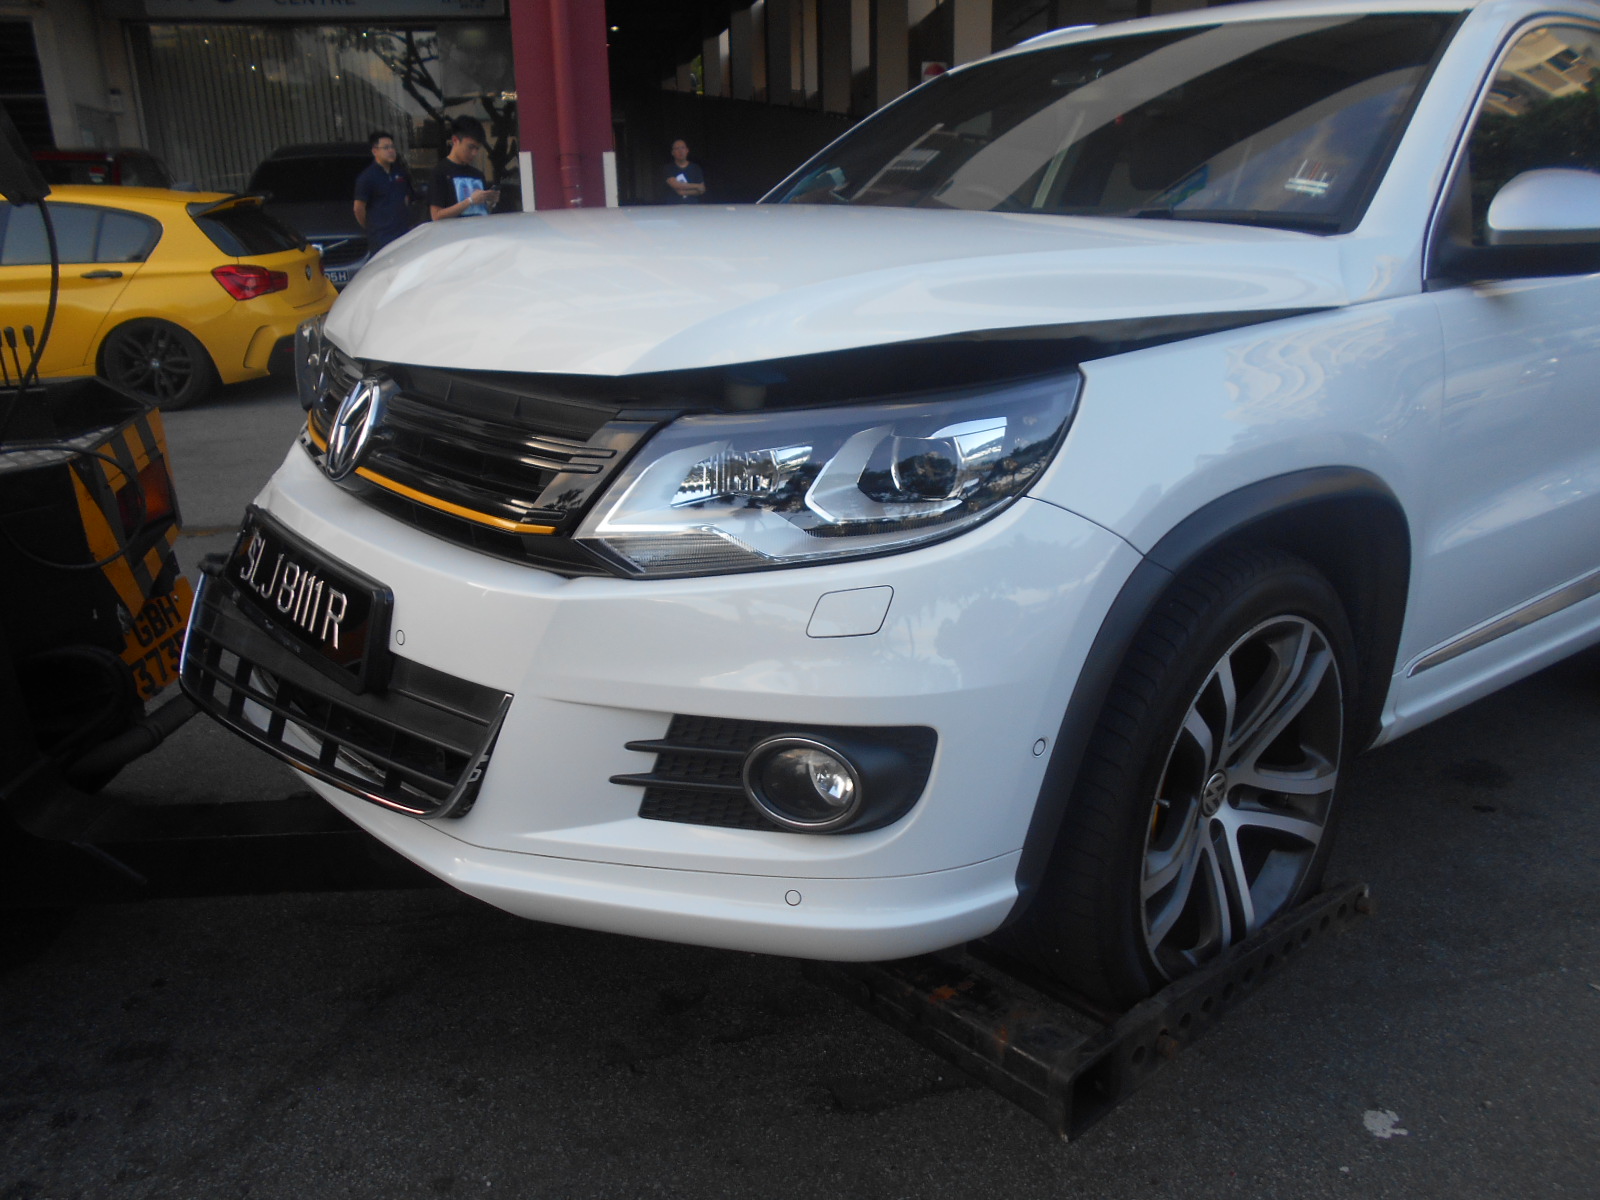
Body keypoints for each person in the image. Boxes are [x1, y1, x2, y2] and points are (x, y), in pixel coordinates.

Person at [352, 130, 415, 255]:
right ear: (375, 151)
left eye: (392, 147)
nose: (391, 151)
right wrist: (372, 226)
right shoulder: (367, 177)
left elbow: (407, 198)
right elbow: (358, 208)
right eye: (386, 148)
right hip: (381, 238)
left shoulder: (400, 173)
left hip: (402, 234)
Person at [428, 116, 499, 221]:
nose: (474, 153)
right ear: (455, 140)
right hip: (454, 231)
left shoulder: (477, 174)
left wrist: (490, 202)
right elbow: (436, 215)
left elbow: (482, 211)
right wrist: (470, 201)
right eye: (470, 147)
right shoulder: (440, 172)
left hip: (480, 228)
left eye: (477, 148)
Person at [663, 139, 706, 203]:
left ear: (687, 150)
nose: (680, 151)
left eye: (683, 148)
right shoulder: (668, 168)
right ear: (672, 153)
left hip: (692, 206)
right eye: (677, 148)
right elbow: (676, 185)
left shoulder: (695, 168)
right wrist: (697, 186)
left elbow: (702, 190)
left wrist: (683, 192)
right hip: (673, 206)